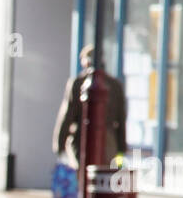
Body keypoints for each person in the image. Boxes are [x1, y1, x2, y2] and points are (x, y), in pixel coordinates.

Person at [53, 43, 128, 175]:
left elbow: (67, 116)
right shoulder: (115, 85)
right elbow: (121, 120)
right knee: (103, 177)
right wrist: (121, 149)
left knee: (81, 176)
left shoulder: (77, 83)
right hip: (108, 142)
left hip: (82, 140)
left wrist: (60, 145)